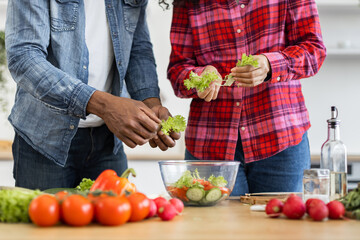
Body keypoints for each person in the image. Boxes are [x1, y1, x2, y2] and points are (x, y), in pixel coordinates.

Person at [5, 0, 180, 190]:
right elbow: (24, 58)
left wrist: (151, 103)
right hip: (45, 140)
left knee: (115, 216)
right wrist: (104, 106)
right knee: (46, 218)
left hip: (108, 140)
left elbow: (138, 49)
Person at [167, 0, 326, 196]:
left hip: (281, 139)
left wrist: (270, 65)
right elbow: (177, 69)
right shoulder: (188, 3)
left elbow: (314, 50)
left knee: (282, 225)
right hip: (210, 146)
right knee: (210, 226)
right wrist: (197, 77)